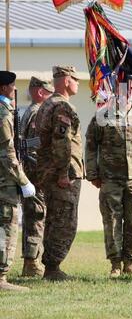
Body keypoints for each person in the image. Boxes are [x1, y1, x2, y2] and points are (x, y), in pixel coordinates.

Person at [85, 78, 132, 278]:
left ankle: (131, 262)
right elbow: (91, 145)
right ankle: (115, 263)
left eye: (129, 88)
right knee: (112, 220)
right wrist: (92, 174)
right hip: (109, 177)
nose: (126, 91)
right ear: (115, 91)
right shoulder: (102, 115)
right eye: (121, 88)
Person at [35, 66, 83, 281]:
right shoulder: (61, 106)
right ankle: (53, 268)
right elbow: (61, 141)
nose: (78, 83)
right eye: (75, 79)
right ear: (66, 80)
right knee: (65, 221)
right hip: (62, 173)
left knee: (54, 219)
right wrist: (64, 173)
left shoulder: (47, 104)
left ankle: (50, 267)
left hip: (49, 171)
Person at [0, 71, 36, 292]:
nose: (15, 90)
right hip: (5, 181)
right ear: (4, 88)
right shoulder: (3, 113)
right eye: (12, 87)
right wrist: (23, 181)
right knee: (6, 226)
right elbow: (7, 153)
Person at [20, 76, 54, 278]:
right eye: (49, 93)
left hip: (32, 170)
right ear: (40, 92)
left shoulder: (31, 111)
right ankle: (31, 262)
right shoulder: (37, 112)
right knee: (36, 216)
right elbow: (32, 145)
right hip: (35, 171)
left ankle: (31, 261)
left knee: (34, 215)